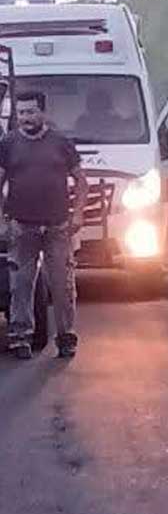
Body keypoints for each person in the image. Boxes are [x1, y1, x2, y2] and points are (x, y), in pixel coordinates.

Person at [1, 91, 89, 359]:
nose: (26, 118)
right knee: (21, 285)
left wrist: (78, 214)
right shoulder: (8, 144)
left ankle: (66, 337)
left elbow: (81, 181)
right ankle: (20, 338)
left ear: (43, 113)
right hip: (22, 226)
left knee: (62, 285)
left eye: (30, 112)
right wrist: (2, 220)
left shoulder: (61, 143)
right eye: (21, 113)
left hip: (58, 226)